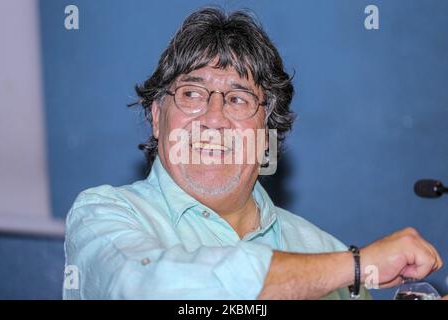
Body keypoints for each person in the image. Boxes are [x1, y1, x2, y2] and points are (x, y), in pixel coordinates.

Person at [63, 8, 443, 300]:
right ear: (157, 118)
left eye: (238, 99)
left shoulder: (320, 249)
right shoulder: (104, 215)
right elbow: (155, 289)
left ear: (267, 135)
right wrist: (356, 265)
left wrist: (350, 266)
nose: (213, 119)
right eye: (192, 94)